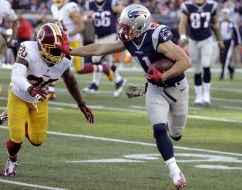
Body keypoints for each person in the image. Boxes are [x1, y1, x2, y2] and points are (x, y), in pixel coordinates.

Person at [56, 4, 191, 189]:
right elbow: (99, 49)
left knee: (176, 134)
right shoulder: (128, 40)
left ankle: (168, 122)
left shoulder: (157, 37)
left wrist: (164, 75)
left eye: (127, 26)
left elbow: (185, 61)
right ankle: (175, 172)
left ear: (139, 26)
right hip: (154, 88)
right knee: (159, 129)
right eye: (123, 24)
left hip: (177, 87)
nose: (122, 29)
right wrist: (70, 50)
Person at [0, 23, 94, 177]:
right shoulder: (28, 49)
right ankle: (12, 161)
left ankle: (16, 116)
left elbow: (70, 80)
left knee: (37, 140)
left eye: (58, 49)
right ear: (41, 45)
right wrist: (30, 88)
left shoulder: (64, 59)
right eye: (53, 50)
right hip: (19, 95)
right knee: (17, 138)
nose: (57, 54)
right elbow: (16, 75)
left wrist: (81, 103)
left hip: (40, 98)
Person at [50, 0, 113, 99]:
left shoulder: (70, 6)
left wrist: (66, 36)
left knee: (80, 70)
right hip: (63, 43)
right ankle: (51, 92)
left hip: (74, 42)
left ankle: (103, 68)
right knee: (54, 63)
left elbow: (81, 26)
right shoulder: (55, 8)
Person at [178, 0, 223, 105]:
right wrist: (183, 37)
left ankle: (206, 94)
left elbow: (215, 24)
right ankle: (199, 96)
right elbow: (182, 24)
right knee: (197, 69)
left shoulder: (211, 5)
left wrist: (219, 39)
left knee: (206, 65)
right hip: (193, 41)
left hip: (207, 39)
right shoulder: (188, 6)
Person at [83, 0, 127, 97]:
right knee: (108, 62)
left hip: (110, 35)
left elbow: (123, 11)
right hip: (99, 37)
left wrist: (118, 9)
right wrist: (87, 16)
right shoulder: (90, 5)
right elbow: (86, 20)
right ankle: (119, 80)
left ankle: (95, 85)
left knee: (96, 58)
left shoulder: (111, 2)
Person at [219, 8, 242, 80]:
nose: (225, 15)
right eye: (224, 13)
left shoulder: (232, 23)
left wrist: (238, 43)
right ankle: (231, 70)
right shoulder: (220, 22)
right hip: (221, 42)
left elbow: (237, 33)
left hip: (229, 42)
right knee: (222, 59)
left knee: (226, 58)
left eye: (226, 13)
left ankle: (222, 76)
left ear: (228, 14)